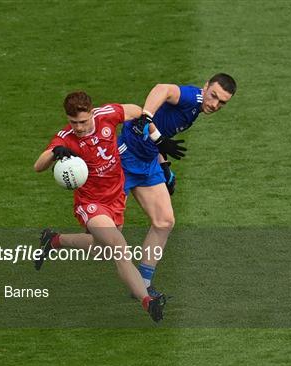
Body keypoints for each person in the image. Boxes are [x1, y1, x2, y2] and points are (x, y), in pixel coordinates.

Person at [41, 73, 237, 297]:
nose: (214, 104)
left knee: (164, 222)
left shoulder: (195, 111)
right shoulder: (193, 97)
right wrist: (147, 116)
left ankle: (143, 285)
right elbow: (162, 88)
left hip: (148, 161)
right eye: (213, 96)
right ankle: (56, 240)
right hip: (124, 161)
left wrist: (164, 167)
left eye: (222, 102)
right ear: (206, 87)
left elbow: (158, 136)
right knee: (103, 248)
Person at [33, 91, 166, 322]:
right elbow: (38, 165)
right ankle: (147, 301)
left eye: (83, 121)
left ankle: (54, 240)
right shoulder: (66, 137)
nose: (79, 127)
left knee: (101, 251)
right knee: (118, 247)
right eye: (73, 122)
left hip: (115, 198)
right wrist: (55, 153)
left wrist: (146, 125)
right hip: (90, 204)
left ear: (92, 114)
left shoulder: (108, 115)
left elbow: (135, 110)